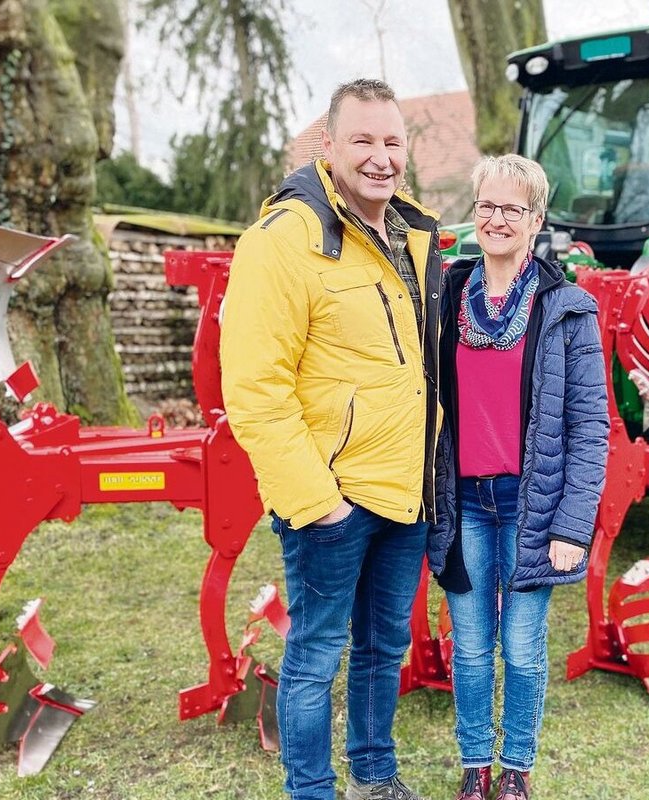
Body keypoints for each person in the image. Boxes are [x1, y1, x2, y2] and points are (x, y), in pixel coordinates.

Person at [220, 78, 441, 800]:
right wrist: (318, 502)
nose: (381, 158)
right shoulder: (283, 242)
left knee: (384, 649)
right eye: (363, 141)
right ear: (328, 146)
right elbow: (256, 391)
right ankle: (311, 790)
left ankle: (376, 777)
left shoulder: (412, 234)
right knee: (315, 654)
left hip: (406, 491)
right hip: (332, 500)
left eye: (392, 142)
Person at [428, 155, 610, 800]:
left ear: (536, 220)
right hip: (465, 505)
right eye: (487, 205)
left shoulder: (568, 309)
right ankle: (475, 766)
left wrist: (573, 526)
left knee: (523, 651)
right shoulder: (446, 297)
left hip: (531, 504)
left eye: (513, 209)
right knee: (472, 650)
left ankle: (516, 770)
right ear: (474, 213)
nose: (498, 219)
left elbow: (592, 428)